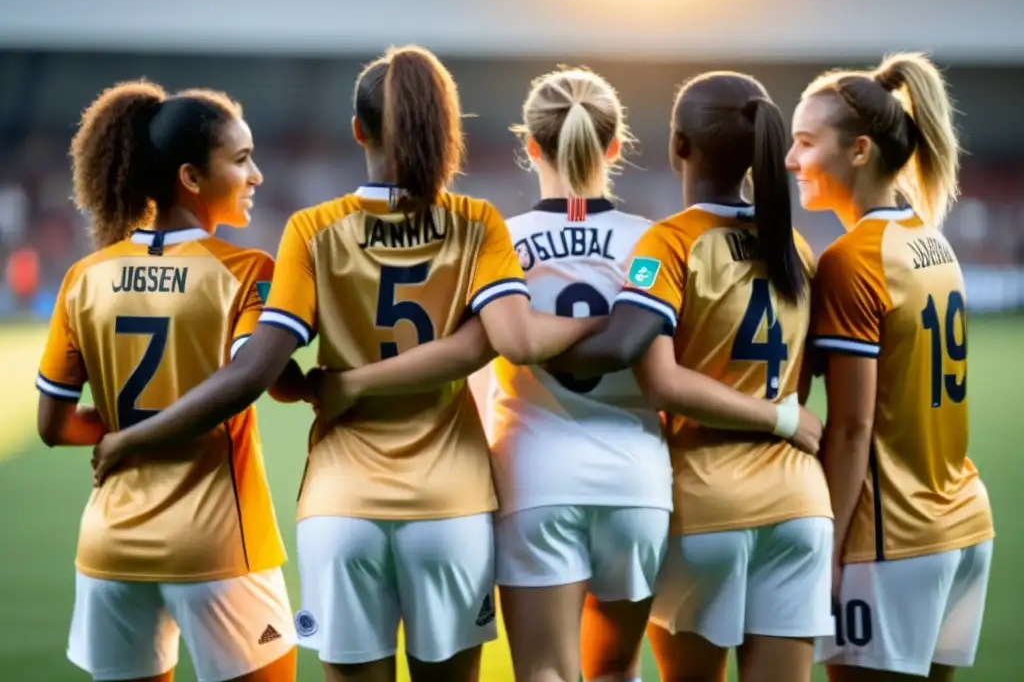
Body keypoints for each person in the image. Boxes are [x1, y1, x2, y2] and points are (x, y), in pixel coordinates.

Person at [91, 46, 602, 682]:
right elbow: (498, 340)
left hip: (342, 507)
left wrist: (304, 386)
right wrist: (614, 317)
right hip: (451, 505)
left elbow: (256, 374)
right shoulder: (476, 224)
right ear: (446, 131)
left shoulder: (313, 229)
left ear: (358, 130)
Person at [311, 73, 827, 682]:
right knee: (615, 670)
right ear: (614, 148)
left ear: (530, 146)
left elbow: (479, 350)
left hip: (535, 475)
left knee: (545, 673)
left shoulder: (499, 237)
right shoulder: (652, 240)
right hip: (637, 479)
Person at [36, 81, 302, 682]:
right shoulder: (246, 271)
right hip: (219, 548)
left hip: (110, 549)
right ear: (191, 177)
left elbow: (52, 426)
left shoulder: (84, 275)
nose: (256, 175)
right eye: (240, 160)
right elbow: (249, 378)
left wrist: (127, 432)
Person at [789, 52, 994, 681]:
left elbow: (851, 429)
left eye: (805, 143)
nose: (792, 160)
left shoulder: (854, 259)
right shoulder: (930, 239)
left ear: (857, 151)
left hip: (891, 539)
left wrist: (825, 549)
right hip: (962, 524)